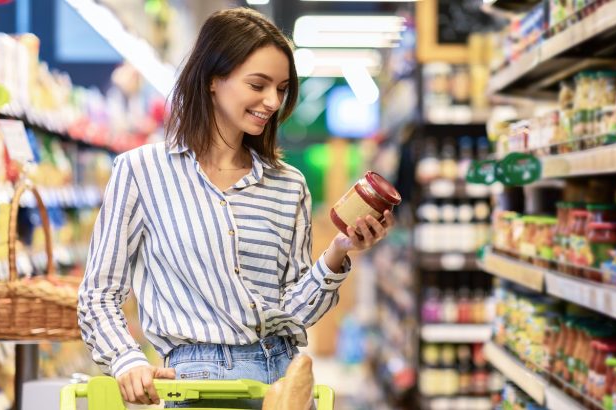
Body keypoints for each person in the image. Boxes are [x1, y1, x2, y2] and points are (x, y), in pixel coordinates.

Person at [78, 6, 395, 408]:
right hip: (199, 386)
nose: (272, 101)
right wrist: (126, 361)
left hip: (283, 382)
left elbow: (293, 312)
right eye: (258, 84)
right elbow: (98, 294)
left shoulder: (289, 185)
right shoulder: (141, 172)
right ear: (214, 79)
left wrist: (339, 252)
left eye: (281, 89)